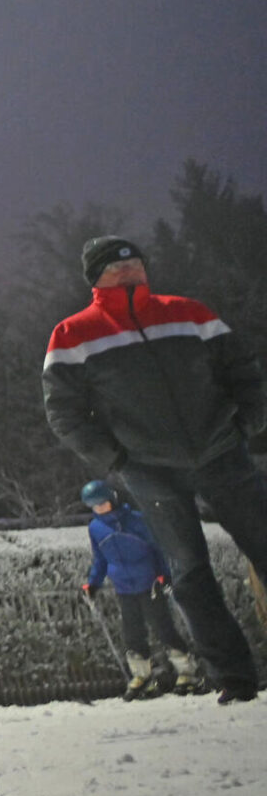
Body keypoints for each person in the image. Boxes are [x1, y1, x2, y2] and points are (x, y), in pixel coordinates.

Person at [43, 236, 267, 705]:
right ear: (95, 277)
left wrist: (246, 423)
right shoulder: (72, 334)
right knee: (188, 571)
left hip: (222, 451)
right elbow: (63, 413)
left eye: (135, 262)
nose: (129, 270)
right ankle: (235, 678)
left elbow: (244, 370)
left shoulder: (190, 313)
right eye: (116, 265)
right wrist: (116, 460)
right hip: (149, 469)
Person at [77, 481, 201, 698]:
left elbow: (158, 549)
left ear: (112, 500)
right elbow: (100, 559)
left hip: (149, 582)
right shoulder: (96, 528)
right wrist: (93, 582)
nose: (99, 509)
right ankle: (142, 675)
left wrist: (164, 574)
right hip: (124, 587)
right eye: (94, 506)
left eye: (102, 504)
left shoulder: (137, 520)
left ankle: (188, 672)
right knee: (132, 633)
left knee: (163, 627)